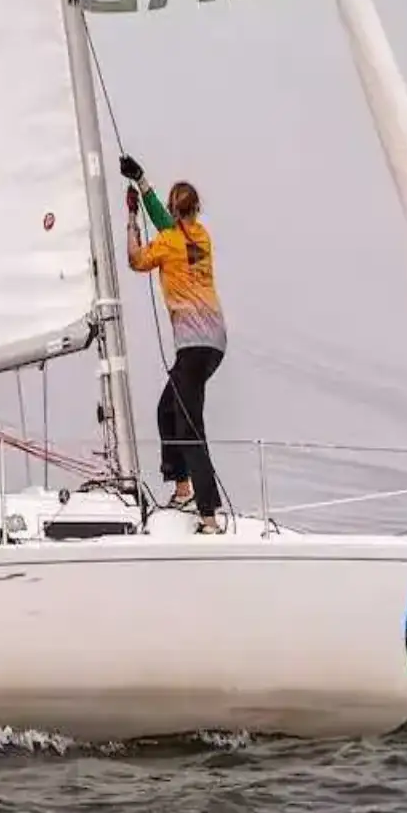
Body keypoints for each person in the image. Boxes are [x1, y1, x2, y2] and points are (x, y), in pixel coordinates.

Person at [120, 153, 226, 535]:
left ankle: (209, 515)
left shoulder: (166, 243)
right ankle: (181, 487)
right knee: (168, 410)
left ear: (172, 208)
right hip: (213, 343)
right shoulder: (200, 235)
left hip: (193, 346)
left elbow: (135, 259)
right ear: (195, 210)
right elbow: (169, 226)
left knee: (188, 425)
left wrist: (131, 217)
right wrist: (142, 181)